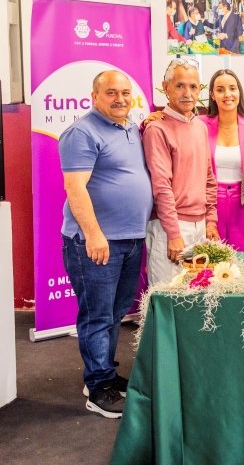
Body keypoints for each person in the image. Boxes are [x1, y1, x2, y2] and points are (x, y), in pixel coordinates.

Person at [59, 71, 153, 418]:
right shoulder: (81, 132)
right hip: (97, 242)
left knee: (115, 312)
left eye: (126, 93)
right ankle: (98, 388)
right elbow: (75, 188)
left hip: (130, 239)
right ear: (94, 96)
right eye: (111, 92)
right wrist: (94, 234)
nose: (120, 99)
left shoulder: (131, 127)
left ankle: (105, 375)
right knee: (97, 315)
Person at [143, 58, 218, 286]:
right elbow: (161, 186)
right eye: (180, 86)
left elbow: (208, 179)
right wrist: (174, 234)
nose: (187, 93)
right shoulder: (156, 129)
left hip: (200, 226)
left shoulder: (200, 127)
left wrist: (211, 221)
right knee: (168, 299)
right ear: (166, 88)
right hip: (171, 228)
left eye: (193, 86)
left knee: (196, 299)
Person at [199, 69, 244, 251]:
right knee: (211, 262)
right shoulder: (198, 124)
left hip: (243, 205)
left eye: (232, 88)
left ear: (239, 92)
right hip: (210, 205)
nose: (227, 94)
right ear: (212, 95)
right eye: (220, 89)